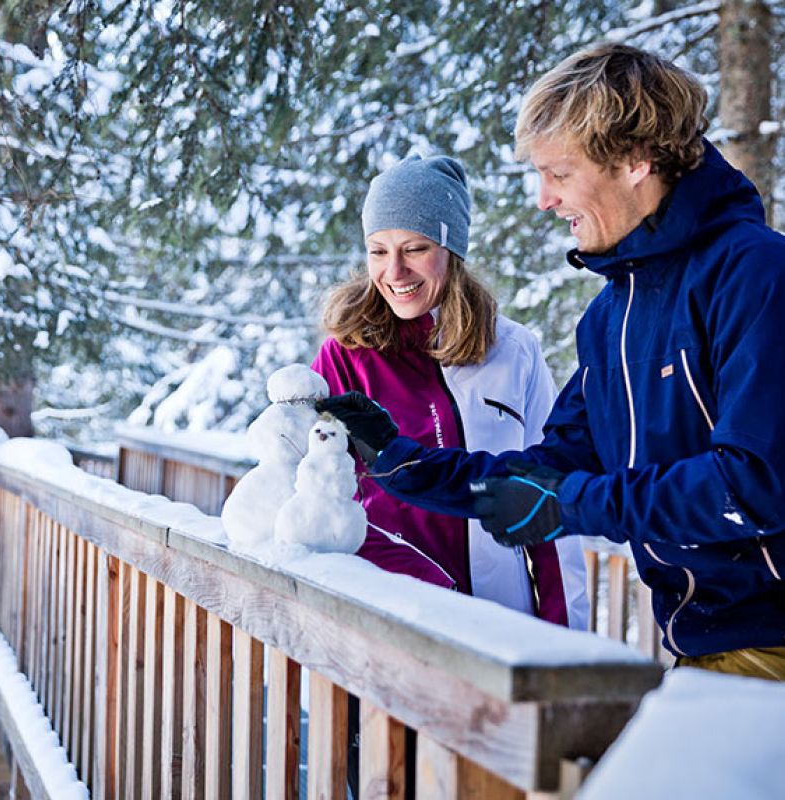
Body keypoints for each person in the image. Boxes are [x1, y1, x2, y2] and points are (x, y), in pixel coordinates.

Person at [319, 43, 785, 681]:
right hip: (709, 645)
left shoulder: (755, 275)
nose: (544, 199)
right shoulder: (611, 316)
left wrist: (574, 503)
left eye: (559, 175)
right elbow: (549, 469)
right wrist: (408, 466)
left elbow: (754, 486)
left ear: (634, 160)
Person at [313, 154, 589, 628]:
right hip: (388, 618)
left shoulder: (514, 351)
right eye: (378, 250)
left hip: (498, 621)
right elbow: (316, 498)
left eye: (415, 248)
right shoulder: (347, 355)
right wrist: (428, 587)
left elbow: (549, 496)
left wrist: (569, 640)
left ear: (451, 249)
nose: (394, 271)